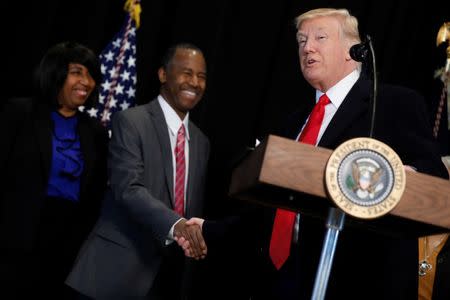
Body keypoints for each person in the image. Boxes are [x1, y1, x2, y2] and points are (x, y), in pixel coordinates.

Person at [250, 8, 449, 300]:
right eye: (301, 40)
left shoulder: (394, 103)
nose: (307, 47)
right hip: (282, 280)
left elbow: (434, 172)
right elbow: (273, 207)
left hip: (356, 279)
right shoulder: (294, 121)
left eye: (320, 37)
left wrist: (404, 176)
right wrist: (205, 229)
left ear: (352, 51)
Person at [66, 42, 210, 300]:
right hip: (112, 273)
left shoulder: (202, 142)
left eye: (201, 76)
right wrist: (176, 225)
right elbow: (128, 189)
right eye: (187, 73)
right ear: (163, 74)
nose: (195, 82)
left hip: (166, 281)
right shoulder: (131, 121)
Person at [0, 41, 109, 299]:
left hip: (65, 245)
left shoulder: (96, 133)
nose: (87, 81)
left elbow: (95, 196)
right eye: (77, 72)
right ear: (55, 73)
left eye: (91, 75)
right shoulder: (19, 113)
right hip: (15, 239)